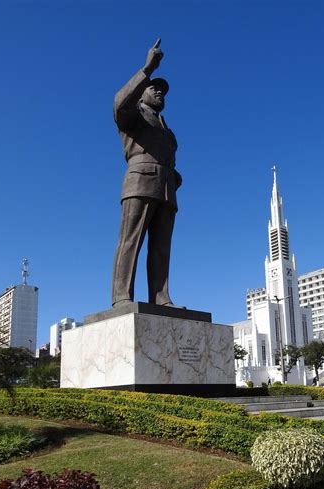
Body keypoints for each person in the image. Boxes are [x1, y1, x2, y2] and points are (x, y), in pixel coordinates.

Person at [111, 38, 183, 308]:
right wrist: (147, 70)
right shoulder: (134, 115)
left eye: (163, 91)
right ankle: (121, 297)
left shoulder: (167, 129)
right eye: (154, 89)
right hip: (140, 182)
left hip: (166, 188)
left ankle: (160, 297)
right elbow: (119, 103)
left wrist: (174, 176)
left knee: (161, 247)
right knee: (131, 240)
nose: (160, 93)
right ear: (141, 92)